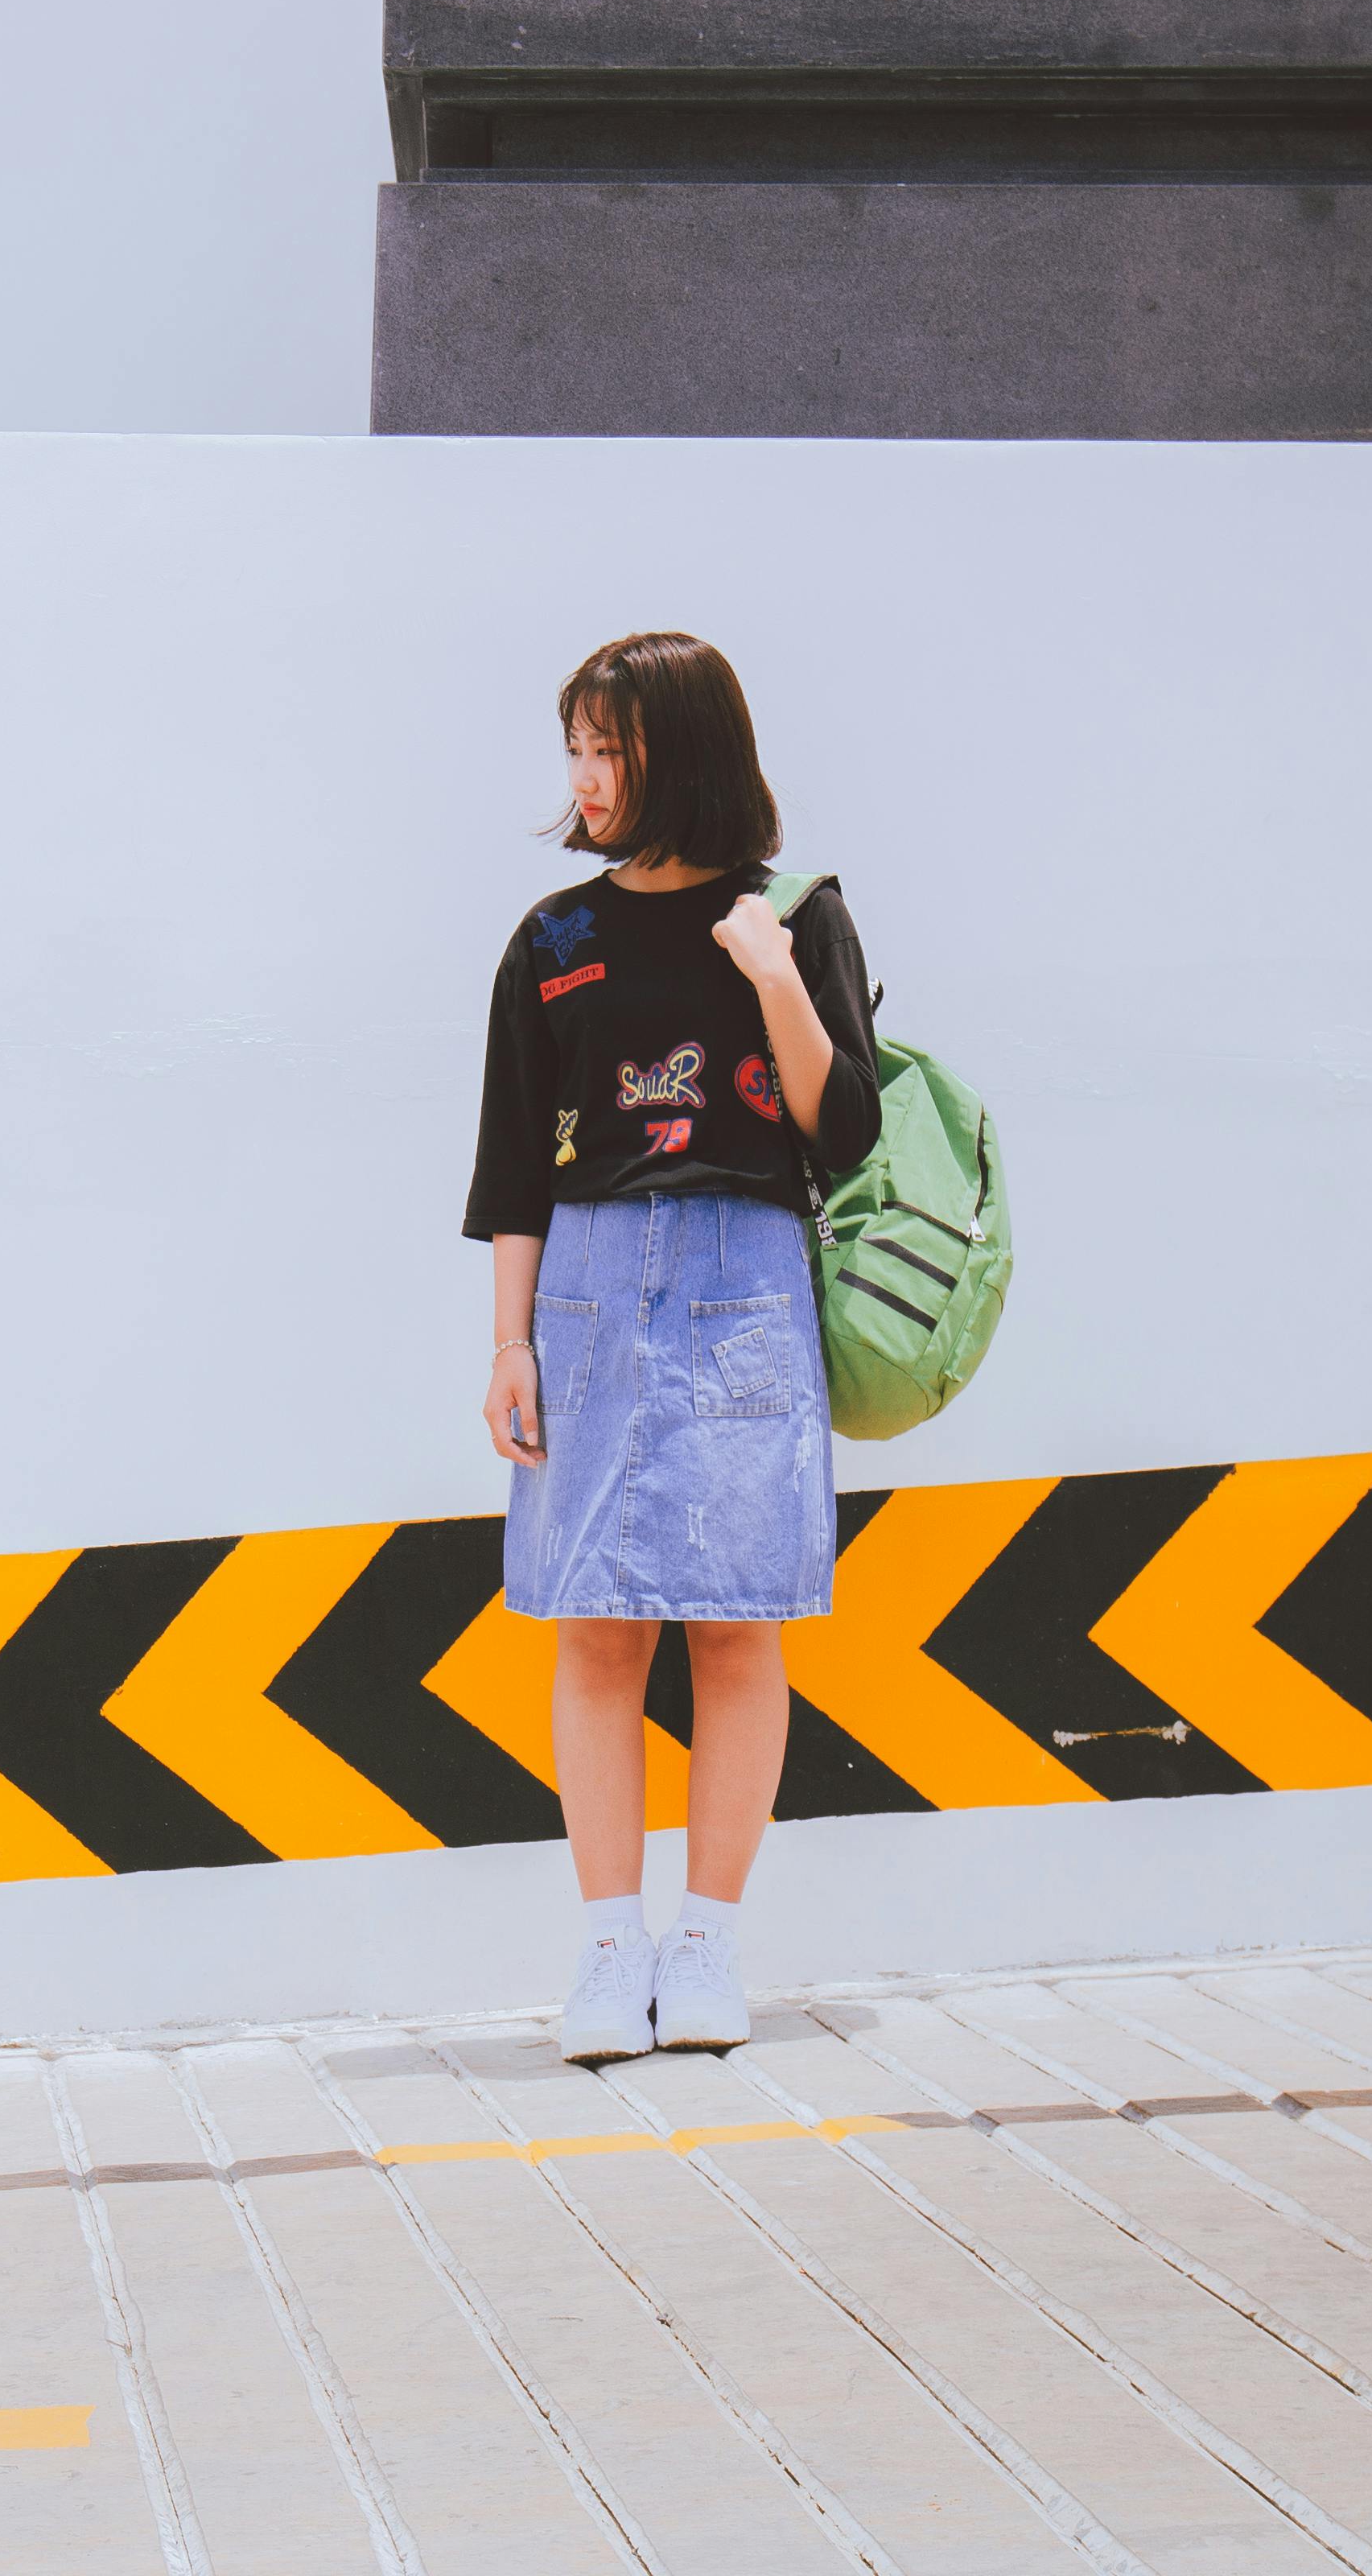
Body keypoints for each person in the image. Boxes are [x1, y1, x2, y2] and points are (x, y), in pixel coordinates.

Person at [465, 632, 880, 2062]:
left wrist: (774, 977)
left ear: (683, 755)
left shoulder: (794, 916)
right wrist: (509, 1342)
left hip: (742, 1283)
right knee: (594, 1624)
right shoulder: (553, 940)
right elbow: (513, 1164)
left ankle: (707, 1944)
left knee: (736, 1624)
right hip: (583, 1288)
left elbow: (841, 1128)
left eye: (612, 751)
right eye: (576, 749)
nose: (585, 780)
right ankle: (607, 1951)